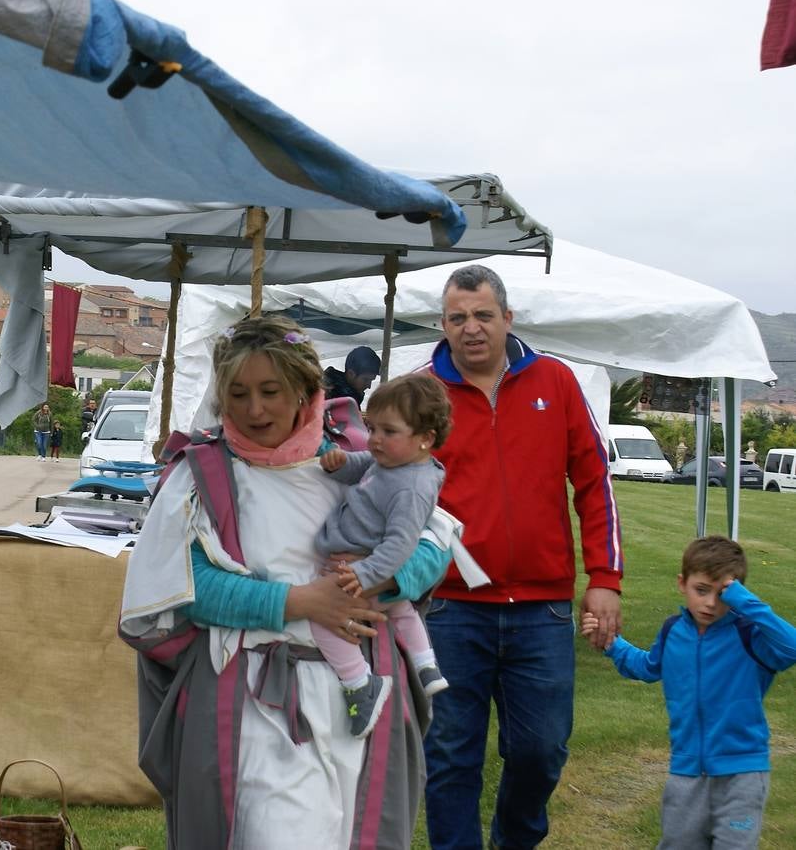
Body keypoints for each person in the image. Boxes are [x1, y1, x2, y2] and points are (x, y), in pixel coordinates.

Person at [120, 315, 441, 850]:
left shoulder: (358, 460)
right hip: (256, 701)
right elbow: (186, 586)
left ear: (304, 391)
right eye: (239, 393)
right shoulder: (201, 476)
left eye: (270, 391)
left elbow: (434, 545)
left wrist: (372, 584)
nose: (254, 409)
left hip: (358, 696)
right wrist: (301, 601)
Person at [423, 264, 622, 850]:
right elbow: (387, 487)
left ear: (508, 319)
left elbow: (593, 482)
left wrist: (605, 577)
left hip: (543, 610)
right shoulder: (423, 393)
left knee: (541, 750)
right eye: (458, 318)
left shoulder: (555, 383)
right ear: (443, 324)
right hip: (449, 608)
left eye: (484, 315)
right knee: (451, 754)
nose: (472, 329)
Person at [585, 536, 796, 849]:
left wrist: (742, 599)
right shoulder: (673, 631)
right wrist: (612, 644)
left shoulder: (750, 636)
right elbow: (646, 666)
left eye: (722, 594)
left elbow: (791, 645)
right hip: (686, 772)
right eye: (702, 590)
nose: (711, 603)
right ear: (682, 583)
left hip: (742, 774)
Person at [313, 372, 452, 738]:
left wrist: (367, 574)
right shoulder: (392, 462)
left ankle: (359, 683)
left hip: (359, 566)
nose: (374, 440)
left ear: (425, 439)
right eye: (372, 428)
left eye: (388, 432)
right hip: (363, 564)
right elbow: (362, 465)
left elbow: (400, 544)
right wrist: (339, 462)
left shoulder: (411, 487)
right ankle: (426, 666)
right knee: (400, 610)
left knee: (322, 619)